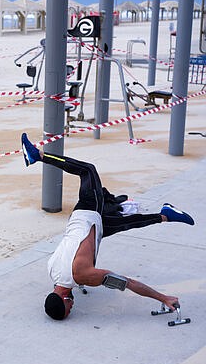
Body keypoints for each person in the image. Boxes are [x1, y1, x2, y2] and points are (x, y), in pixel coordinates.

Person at [20, 133, 195, 321]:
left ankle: (38, 155)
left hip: (88, 212)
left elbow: (128, 283)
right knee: (128, 223)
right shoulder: (52, 270)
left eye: (69, 308)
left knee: (88, 170)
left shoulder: (86, 275)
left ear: (64, 299)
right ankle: (166, 214)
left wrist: (163, 298)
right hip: (84, 222)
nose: (73, 307)